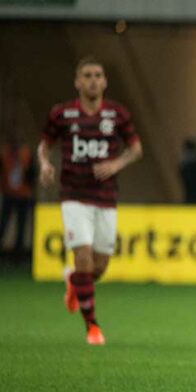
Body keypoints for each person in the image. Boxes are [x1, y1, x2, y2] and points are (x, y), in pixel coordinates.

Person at [37, 56, 142, 345]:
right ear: (77, 82)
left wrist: (116, 165)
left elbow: (136, 148)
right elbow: (44, 145)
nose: (93, 80)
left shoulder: (117, 114)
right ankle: (92, 327)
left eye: (98, 75)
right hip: (73, 195)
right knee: (82, 257)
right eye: (87, 75)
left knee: (98, 268)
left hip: (106, 198)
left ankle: (74, 281)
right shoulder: (62, 114)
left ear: (105, 81)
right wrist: (45, 164)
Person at [0, 136, 35, 259]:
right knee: (3, 224)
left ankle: (18, 254)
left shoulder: (26, 154)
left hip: (23, 195)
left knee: (21, 225)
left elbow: (32, 173)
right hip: (8, 194)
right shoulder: (4, 154)